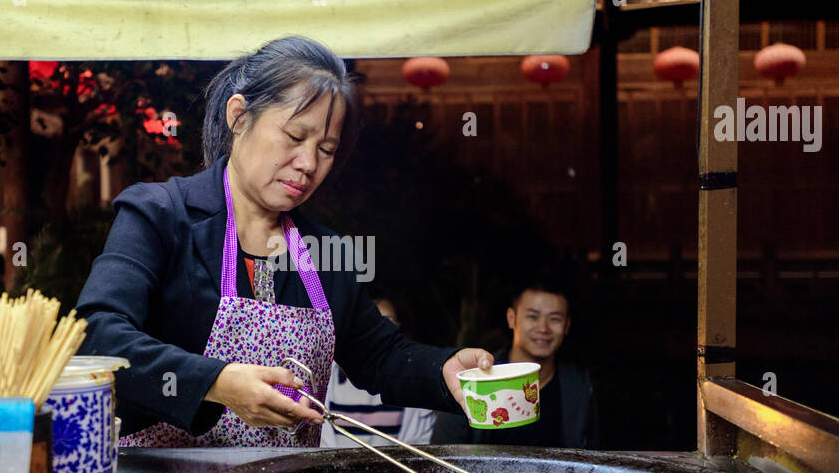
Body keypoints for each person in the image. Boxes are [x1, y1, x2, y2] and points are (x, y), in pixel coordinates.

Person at [75, 35, 495, 448]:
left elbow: (381, 358)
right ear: (239, 117)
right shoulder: (160, 216)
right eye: (295, 137)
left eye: (326, 149)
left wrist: (444, 372)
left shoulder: (323, 253)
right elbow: (97, 336)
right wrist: (217, 384)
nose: (309, 164)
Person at [432, 275, 598, 448]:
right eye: (533, 316)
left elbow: (591, 458)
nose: (543, 328)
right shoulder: (475, 379)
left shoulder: (578, 385)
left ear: (567, 326)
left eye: (554, 319)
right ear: (512, 318)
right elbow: (444, 454)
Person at [320, 295, 437, 447]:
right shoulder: (326, 378)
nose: (377, 336)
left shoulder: (411, 385)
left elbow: (420, 446)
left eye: (388, 324)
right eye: (367, 326)